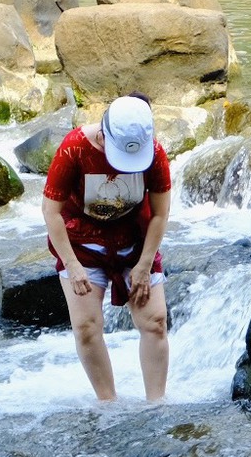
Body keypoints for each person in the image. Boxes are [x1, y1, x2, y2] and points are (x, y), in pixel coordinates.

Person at [41, 94, 173, 403]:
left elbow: (160, 214)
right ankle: (108, 402)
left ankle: (156, 405)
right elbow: (51, 212)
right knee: (86, 326)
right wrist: (71, 266)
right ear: (103, 133)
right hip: (81, 245)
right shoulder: (73, 149)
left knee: (154, 322)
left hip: (135, 242)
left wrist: (144, 264)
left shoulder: (154, 152)